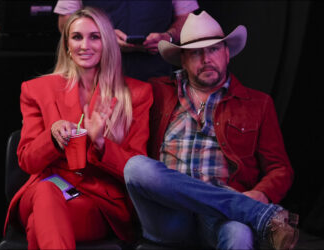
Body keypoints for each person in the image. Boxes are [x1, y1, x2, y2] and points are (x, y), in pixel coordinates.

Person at [124, 11, 299, 250]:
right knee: (136, 167)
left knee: (240, 235)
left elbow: (280, 168)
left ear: (227, 54)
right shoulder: (157, 93)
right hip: (168, 216)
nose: (206, 58)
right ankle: (259, 215)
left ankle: (248, 209)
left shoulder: (258, 104)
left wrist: (261, 193)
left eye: (214, 49)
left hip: (220, 217)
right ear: (183, 60)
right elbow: (108, 83)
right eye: (196, 52)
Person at [2, 7, 153, 249]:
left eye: (95, 36)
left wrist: (102, 144)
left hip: (97, 200)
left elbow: (138, 168)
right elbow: (27, 162)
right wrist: (52, 136)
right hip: (43, 190)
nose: (85, 45)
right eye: (77, 37)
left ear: (108, 43)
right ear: (67, 46)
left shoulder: (136, 94)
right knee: (46, 192)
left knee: (37, 227)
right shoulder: (37, 90)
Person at [53, 0, 199, 81]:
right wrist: (103, 35)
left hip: (157, 76)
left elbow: (187, 18)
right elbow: (65, 20)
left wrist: (168, 37)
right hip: (98, 77)